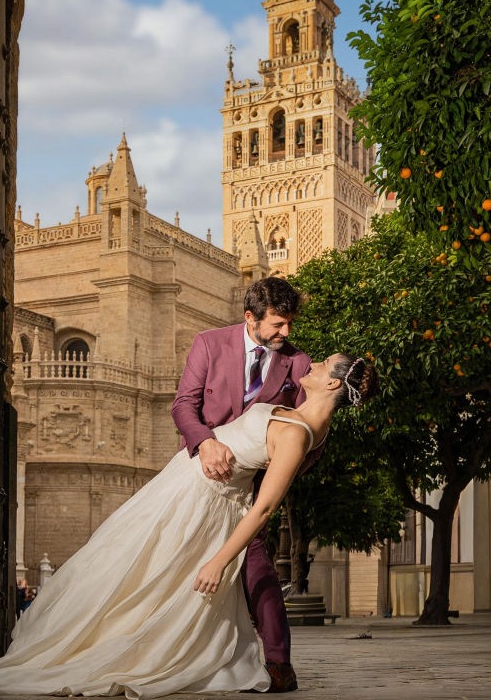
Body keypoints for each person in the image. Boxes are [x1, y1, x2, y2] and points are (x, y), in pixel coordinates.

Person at [0, 354, 378, 698]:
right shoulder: (298, 417)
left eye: (325, 363)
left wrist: (218, 561)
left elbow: (264, 508)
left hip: (200, 506)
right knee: (129, 570)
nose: (316, 361)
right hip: (181, 488)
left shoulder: (297, 434)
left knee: (144, 577)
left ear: (331, 382)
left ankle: (116, 653)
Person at [171, 277, 310, 692]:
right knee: (181, 559)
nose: (286, 333)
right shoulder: (209, 343)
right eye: (278, 324)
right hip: (200, 473)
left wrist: (282, 471)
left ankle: (278, 662)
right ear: (250, 317)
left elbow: (307, 432)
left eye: (289, 324)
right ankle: (185, 651)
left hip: (255, 484)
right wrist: (205, 443)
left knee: (254, 561)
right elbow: (183, 406)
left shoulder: (298, 364)